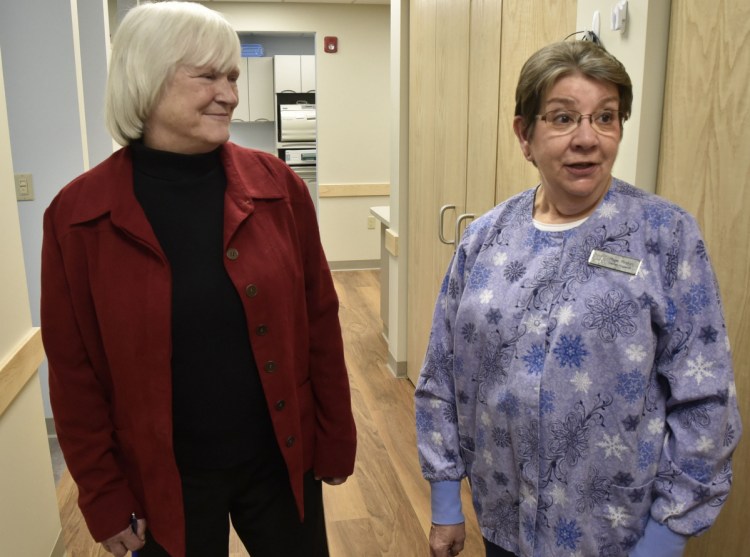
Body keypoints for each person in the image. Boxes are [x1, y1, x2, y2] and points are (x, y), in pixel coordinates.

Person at [41, 2, 356, 556]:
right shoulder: (78, 216)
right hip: (161, 480)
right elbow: (74, 373)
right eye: (208, 75)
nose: (230, 93)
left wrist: (334, 437)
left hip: (279, 459)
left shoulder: (279, 188)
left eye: (232, 75)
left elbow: (320, 323)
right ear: (147, 79)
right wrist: (103, 495)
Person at [415, 39, 741, 557]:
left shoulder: (665, 237)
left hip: (619, 536)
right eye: (563, 118)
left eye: (606, 117)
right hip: (502, 519)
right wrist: (446, 503)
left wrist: (666, 537)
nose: (588, 139)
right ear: (525, 134)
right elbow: (441, 374)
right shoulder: (487, 239)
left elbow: (706, 402)